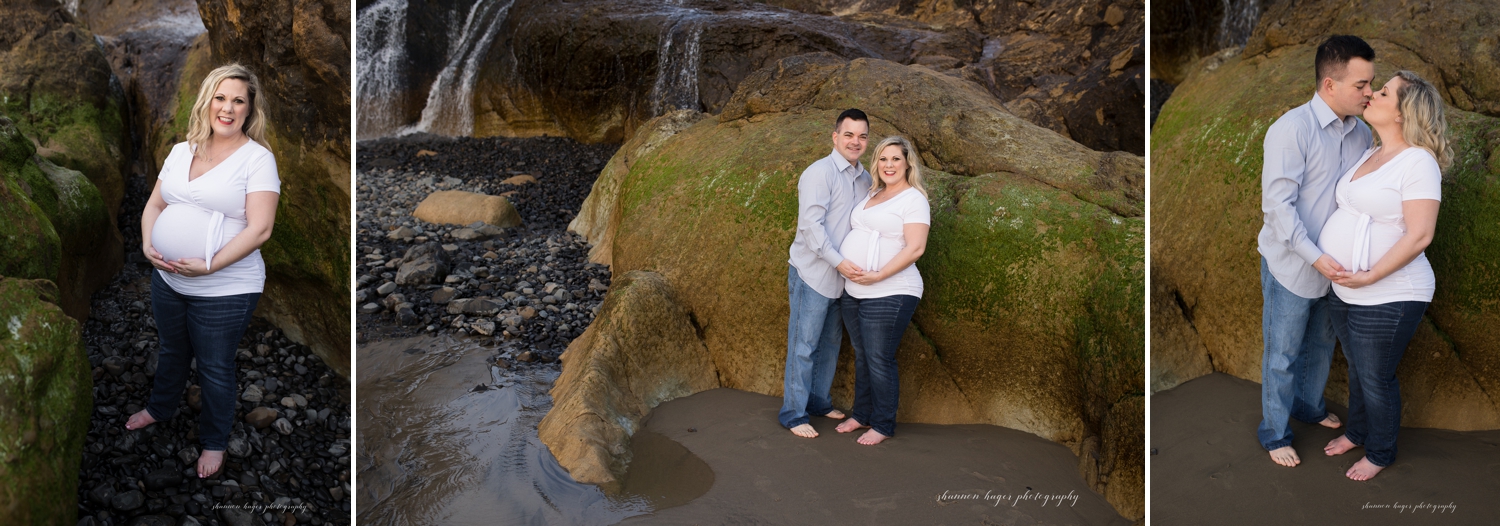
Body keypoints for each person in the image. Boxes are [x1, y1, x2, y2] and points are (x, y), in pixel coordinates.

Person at [125, 63, 282, 479]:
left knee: (214, 367)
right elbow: (155, 204)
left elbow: (261, 229)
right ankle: (159, 408)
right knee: (172, 350)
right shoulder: (182, 150)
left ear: (249, 109)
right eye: (220, 98)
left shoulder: (257, 159)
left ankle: (214, 441)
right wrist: (148, 244)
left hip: (226, 287)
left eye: (238, 101)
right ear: (207, 101)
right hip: (168, 278)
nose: (227, 108)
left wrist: (209, 264)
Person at [1318, 70, 1450, 481]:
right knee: (1358, 369)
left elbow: (1420, 234)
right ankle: (1358, 432)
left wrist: (1371, 275)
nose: (1372, 94)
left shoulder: (1419, 162)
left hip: (1390, 292)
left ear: (1403, 113)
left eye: (1384, 91)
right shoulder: (1371, 151)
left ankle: (1379, 452)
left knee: (1376, 377)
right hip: (1347, 288)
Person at [1257, 35, 1375, 467]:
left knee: (1322, 345)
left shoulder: (1362, 133)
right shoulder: (1292, 129)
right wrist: (1315, 257)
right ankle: (1274, 433)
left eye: (1371, 83)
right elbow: (1278, 207)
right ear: (1330, 84)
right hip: (1292, 263)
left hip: (1337, 268)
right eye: (1361, 85)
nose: (1369, 92)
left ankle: (1307, 407)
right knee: (1283, 353)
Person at [780, 109, 872, 438]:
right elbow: (810, 226)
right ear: (835, 137)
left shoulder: (865, 179)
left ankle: (818, 402)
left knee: (831, 344)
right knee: (803, 345)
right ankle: (793, 414)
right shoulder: (819, 173)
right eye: (848, 135)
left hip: (843, 279)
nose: (855, 142)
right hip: (813, 273)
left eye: (862, 136)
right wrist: (838, 261)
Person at [832, 136, 930, 445]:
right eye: (883, 159)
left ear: (907, 164)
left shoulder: (913, 199)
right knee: (863, 355)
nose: (889, 165)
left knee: (879, 358)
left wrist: (879, 275)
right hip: (854, 290)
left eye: (896, 159)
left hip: (891, 290)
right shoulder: (872, 193)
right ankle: (862, 414)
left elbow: (915, 248)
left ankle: (884, 424)